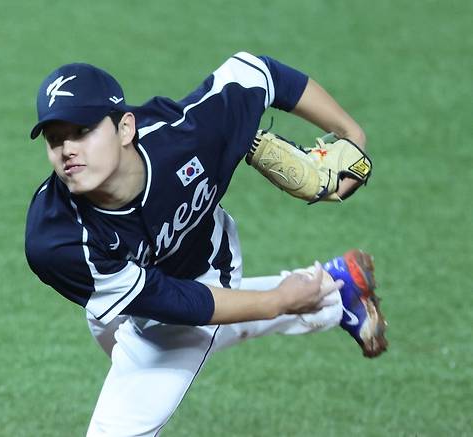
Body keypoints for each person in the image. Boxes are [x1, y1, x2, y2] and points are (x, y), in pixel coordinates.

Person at [24, 52, 388, 436]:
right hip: (117, 291)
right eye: (55, 139)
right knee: (140, 341)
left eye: (82, 131)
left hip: (205, 272)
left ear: (125, 128)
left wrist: (352, 134)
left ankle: (326, 296)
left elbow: (258, 71)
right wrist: (278, 300)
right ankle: (334, 291)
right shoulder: (56, 240)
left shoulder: (190, 133)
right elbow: (162, 298)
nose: (67, 150)